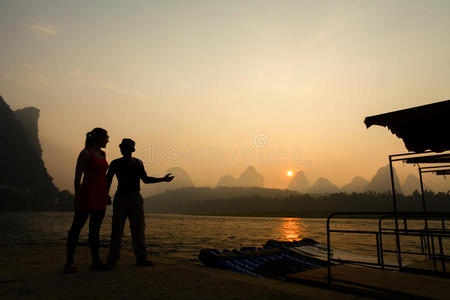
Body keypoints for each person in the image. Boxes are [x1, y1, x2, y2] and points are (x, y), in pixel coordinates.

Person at [106, 138, 174, 267]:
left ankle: (141, 258)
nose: (122, 149)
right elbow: (108, 179)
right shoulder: (115, 163)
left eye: (125, 147)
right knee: (117, 230)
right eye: (121, 147)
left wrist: (163, 180)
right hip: (121, 197)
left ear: (131, 150)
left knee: (138, 229)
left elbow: (146, 179)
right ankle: (112, 260)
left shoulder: (138, 163)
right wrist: (106, 194)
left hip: (135, 197)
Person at [64, 128, 111, 273]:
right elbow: (77, 176)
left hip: (100, 196)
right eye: (106, 137)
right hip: (86, 194)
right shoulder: (85, 153)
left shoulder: (103, 154)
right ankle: (70, 261)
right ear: (98, 138)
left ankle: (95, 261)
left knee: (95, 230)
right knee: (76, 227)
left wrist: (106, 194)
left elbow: (102, 177)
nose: (108, 140)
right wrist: (77, 195)